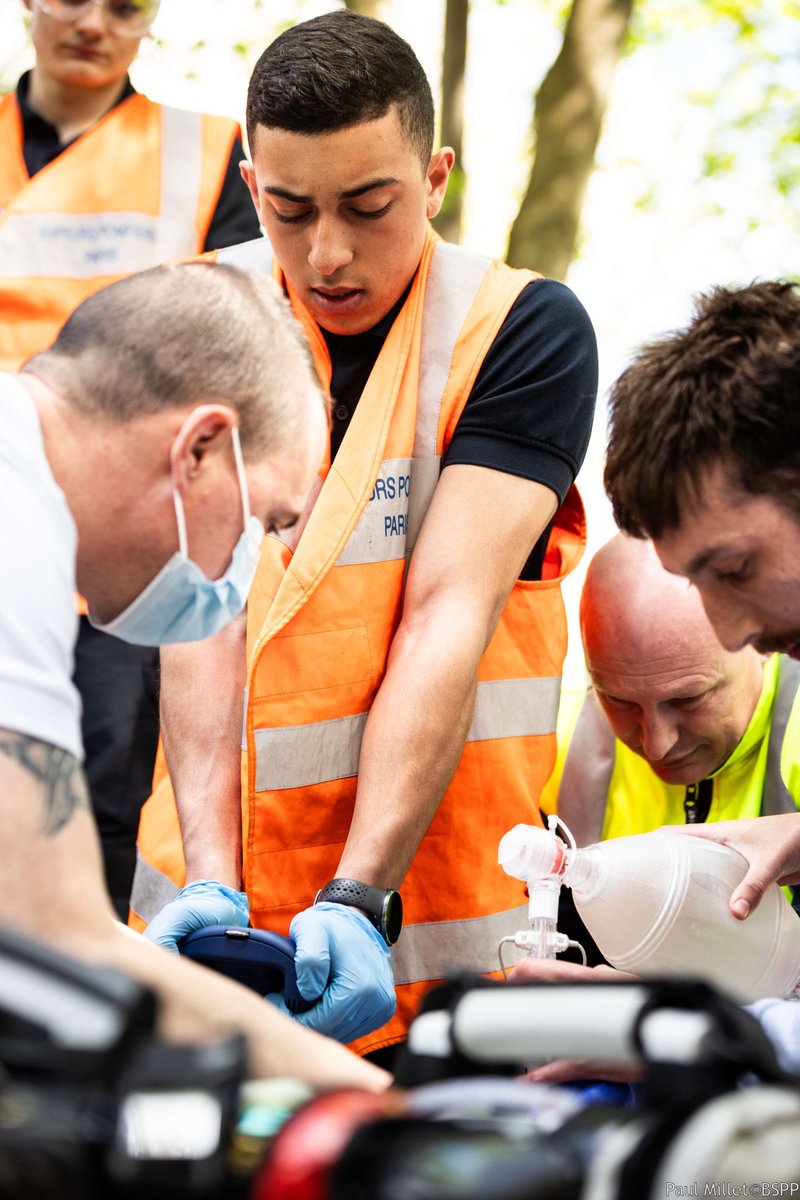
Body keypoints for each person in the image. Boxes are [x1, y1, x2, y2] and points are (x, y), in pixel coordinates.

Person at [131, 9, 599, 1059]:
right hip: (216, 922)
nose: (328, 254)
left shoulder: (520, 332)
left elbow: (447, 611)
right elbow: (196, 602)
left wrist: (357, 894)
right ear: (252, 186)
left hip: (427, 926)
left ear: (432, 179)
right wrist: (211, 877)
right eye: (290, 211)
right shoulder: (203, 317)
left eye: (368, 206)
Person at [0, 259, 388, 1092]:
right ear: (200, 450)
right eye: (266, 522)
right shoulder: (13, 531)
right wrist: (363, 1099)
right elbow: (51, 933)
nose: (247, 568)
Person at [0, 0, 261, 921]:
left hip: (129, 555)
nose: (96, 23)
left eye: (128, 6)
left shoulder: (209, 156)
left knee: (101, 808)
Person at [514, 279, 800, 1078]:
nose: (738, 628)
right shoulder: (561, 750)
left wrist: (681, 1036)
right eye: (621, 701)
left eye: (737, 568)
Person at [549, 534, 800, 848]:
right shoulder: (550, 727)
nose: (657, 746)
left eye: (688, 699)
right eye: (618, 700)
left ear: (762, 640)